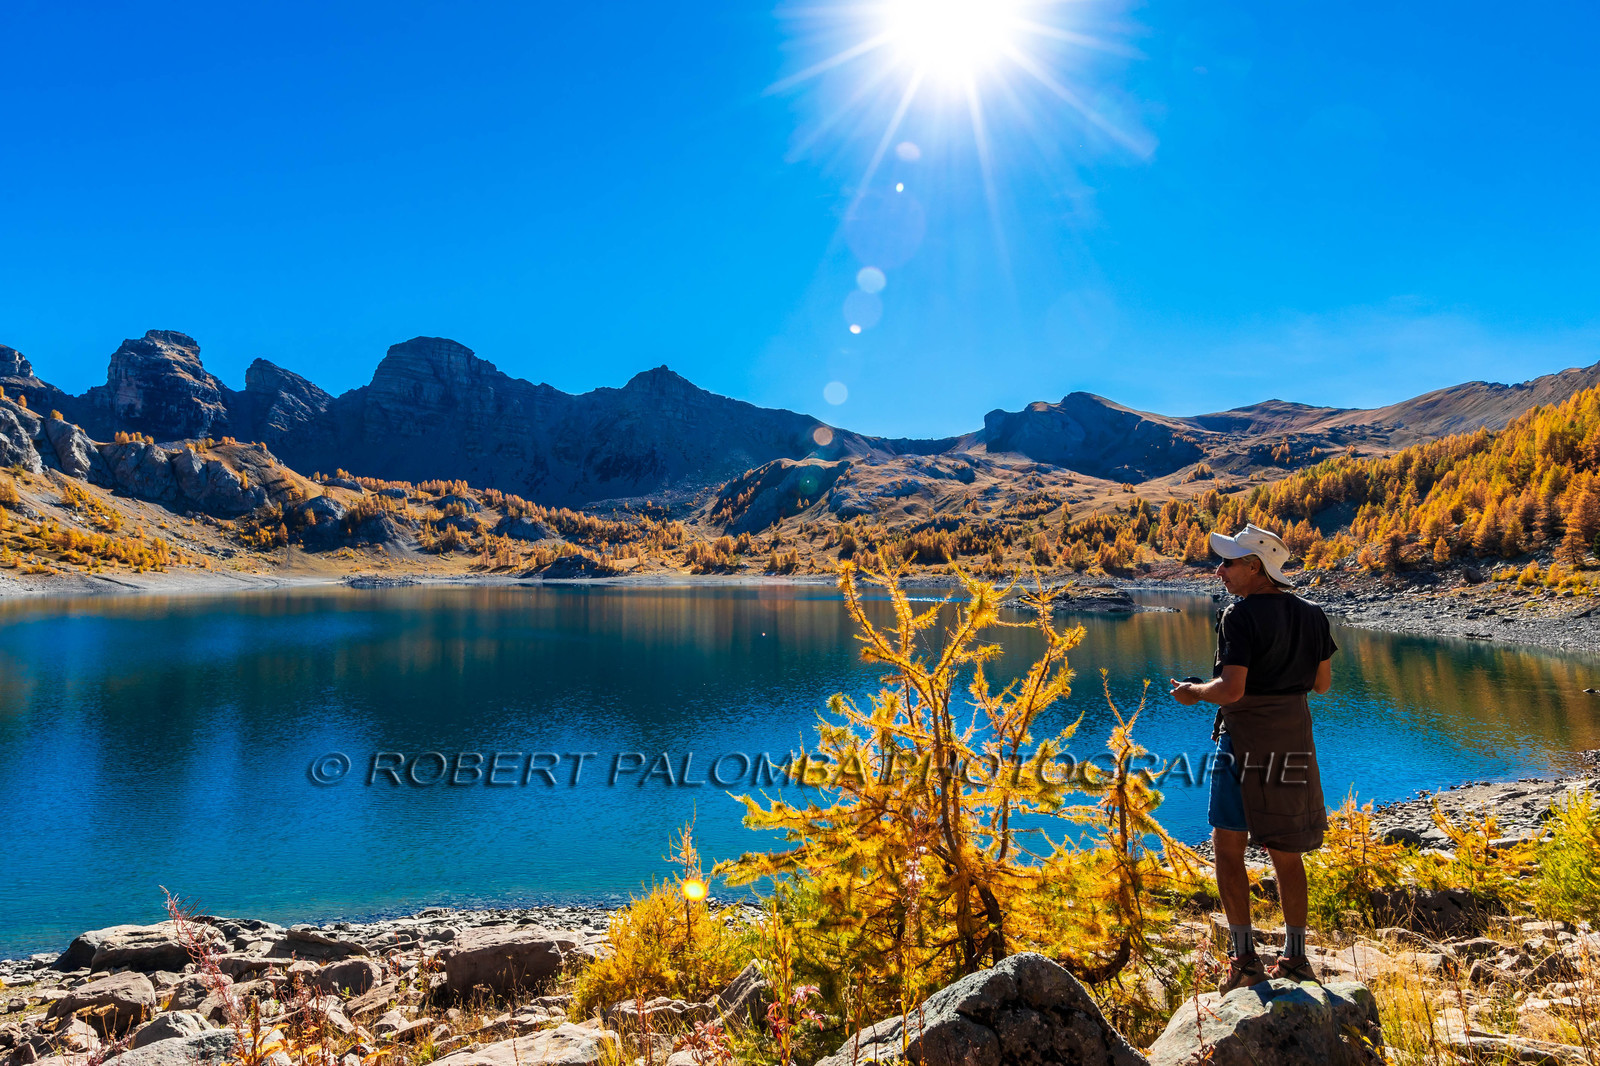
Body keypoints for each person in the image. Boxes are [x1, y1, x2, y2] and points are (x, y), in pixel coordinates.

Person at [1169, 522, 1335, 992]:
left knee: (1227, 846)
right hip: (1294, 737)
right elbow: (1321, 685)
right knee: (1287, 850)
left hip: (1244, 743)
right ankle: (1296, 959)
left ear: (1255, 567)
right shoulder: (1314, 614)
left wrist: (1193, 692)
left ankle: (1244, 961)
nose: (1219, 570)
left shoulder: (1238, 617)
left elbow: (1232, 690)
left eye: (1228, 562)